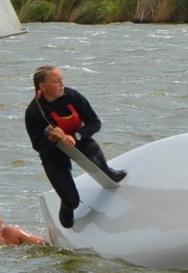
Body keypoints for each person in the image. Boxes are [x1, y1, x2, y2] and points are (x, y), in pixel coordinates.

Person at [24, 66, 126, 229]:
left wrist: (76, 136)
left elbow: (95, 122)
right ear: (42, 87)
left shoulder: (72, 96)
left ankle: (106, 170)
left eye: (62, 80)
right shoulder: (33, 112)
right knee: (73, 201)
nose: (62, 84)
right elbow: (37, 146)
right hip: (53, 154)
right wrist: (51, 138)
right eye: (56, 81)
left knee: (91, 146)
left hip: (78, 142)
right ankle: (66, 207)